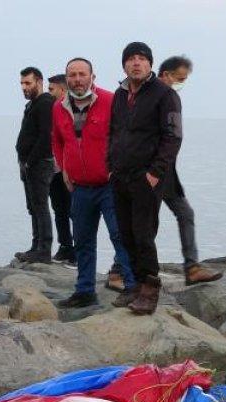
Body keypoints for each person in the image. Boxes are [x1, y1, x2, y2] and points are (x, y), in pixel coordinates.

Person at [51, 58, 137, 308]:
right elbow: (57, 140)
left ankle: (132, 288)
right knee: (83, 240)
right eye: (72, 75)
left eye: (82, 74)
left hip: (110, 185)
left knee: (120, 236)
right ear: (67, 79)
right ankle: (85, 290)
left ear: (92, 77)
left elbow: (128, 136)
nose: (77, 79)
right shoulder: (58, 107)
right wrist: (64, 168)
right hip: (80, 188)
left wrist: (119, 169)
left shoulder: (111, 101)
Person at [108, 42, 183, 315]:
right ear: (124, 65)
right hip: (120, 176)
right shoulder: (120, 94)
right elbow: (114, 132)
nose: (136, 63)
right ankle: (135, 286)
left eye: (141, 58)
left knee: (143, 234)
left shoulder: (165, 94)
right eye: (130, 59)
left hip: (147, 177)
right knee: (125, 234)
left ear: (150, 64)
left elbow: (173, 137)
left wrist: (155, 173)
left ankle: (150, 290)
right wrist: (110, 166)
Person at [157, 56, 220, 286]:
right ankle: (121, 269)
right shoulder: (161, 95)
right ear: (166, 74)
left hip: (165, 172)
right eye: (179, 79)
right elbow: (170, 135)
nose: (181, 84)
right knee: (146, 222)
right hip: (153, 171)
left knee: (185, 214)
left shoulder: (164, 95)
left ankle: (192, 267)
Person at [14, 67, 56, 265]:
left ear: (38, 82)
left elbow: (46, 135)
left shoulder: (45, 103)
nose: (24, 87)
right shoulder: (32, 104)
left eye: (28, 83)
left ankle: (44, 249)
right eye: (22, 83)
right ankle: (35, 246)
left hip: (39, 163)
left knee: (40, 206)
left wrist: (31, 160)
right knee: (33, 206)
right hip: (28, 163)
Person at [46, 74, 76, 265]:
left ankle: (79, 250)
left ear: (62, 90)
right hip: (54, 169)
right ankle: (65, 247)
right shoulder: (52, 110)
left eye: (51, 89)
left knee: (75, 211)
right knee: (59, 210)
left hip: (70, 169)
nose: (48, 93)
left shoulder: (72, 110)